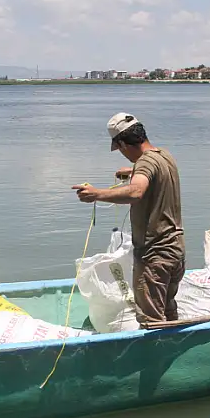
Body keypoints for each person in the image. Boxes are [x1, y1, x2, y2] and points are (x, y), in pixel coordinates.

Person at [73, 113, 185, 324]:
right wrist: (132, 171)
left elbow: (136, 192)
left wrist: (96, 194)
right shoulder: (164, 156)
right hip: (176, 250)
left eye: (120, 150)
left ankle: (153, 356)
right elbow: (152, 173)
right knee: (168, 311)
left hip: (155, 254)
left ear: (123, 143)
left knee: (151, 320)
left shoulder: (145, 163)